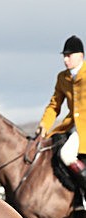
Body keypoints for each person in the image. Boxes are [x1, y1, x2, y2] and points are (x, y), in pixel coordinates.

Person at [37, 35, 86, 187]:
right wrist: (44, 125)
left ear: (81, 55)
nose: (65, 59)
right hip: (72, 127)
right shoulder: (62, 77)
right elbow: (54, 105)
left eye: (69, 55)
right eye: (64, 56)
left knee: (66, 154)